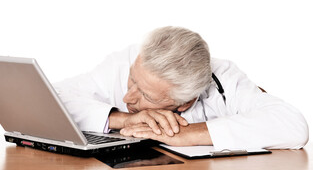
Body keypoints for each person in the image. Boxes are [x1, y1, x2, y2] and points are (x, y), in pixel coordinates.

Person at [53, 26, 309, 149]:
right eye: (132, 80)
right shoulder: (130, 60)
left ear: (185, 103)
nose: (127, 95)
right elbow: (53, 98)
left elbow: (292, 125)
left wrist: (186, 134)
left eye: (146, 95)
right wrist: (120, 118)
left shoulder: (224, 79)